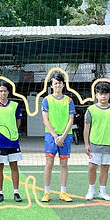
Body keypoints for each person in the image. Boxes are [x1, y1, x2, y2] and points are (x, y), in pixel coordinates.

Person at [0, 81, 24, 203]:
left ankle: (16, 192)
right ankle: (0, 193)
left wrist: (12, 133)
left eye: (5, 91)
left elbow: (18, 121)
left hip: (13, 141)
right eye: (0, 91)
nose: (3, 93)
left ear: (8, 92)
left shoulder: (15, 105)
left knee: (14, 166)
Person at [41, 71, 75, 202]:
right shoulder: (46, 100)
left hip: (66, 135)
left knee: (64, 164)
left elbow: (71, 120)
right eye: (55, 83)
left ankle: (63, 192)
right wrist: (56, 136)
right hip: (51, 136)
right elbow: (45, 120)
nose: (57, 85)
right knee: (49, 164)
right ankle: (47, 192)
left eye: (60, 83)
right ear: (51, 85)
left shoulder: (69, 100)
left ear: (63, 85)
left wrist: (63, 136)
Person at [84, 81, 110, 201]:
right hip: (94, 144)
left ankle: (102, 192)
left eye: (106, 93)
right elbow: (86, 128)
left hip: (109, 145)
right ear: (96, 95)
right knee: (92, 167)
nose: (103, 96)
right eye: (100, 93)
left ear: (109, 95)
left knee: (105, 168)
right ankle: (91, 190)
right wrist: (86, 144)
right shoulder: (90, 110)